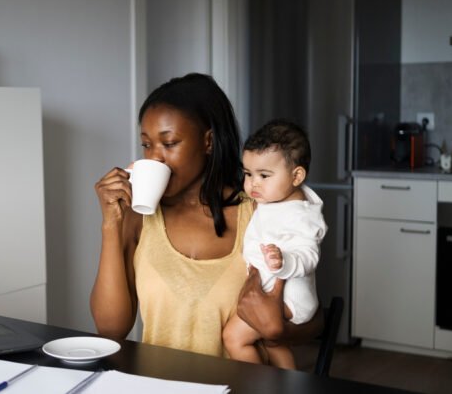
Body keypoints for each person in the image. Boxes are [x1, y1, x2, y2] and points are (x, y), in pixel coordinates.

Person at [91, 73, 323, 361]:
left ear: (209, 142)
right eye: (147, 145)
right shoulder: (139, 218)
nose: (155, 158)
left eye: (170, 142)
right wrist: (111, 224)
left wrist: (277, 331)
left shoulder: (258, 212)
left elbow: (313, 318)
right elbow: (110, 330)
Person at [222, 119, 328, 368]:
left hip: (290, 298)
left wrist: (285, 261)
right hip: (277, 295)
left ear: (296, 176)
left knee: (233, 338)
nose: (253, 183)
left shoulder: (299, 214)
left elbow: (310, 254)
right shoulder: (274, 200)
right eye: (248, 174)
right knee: (275, 345)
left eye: (264, 175)